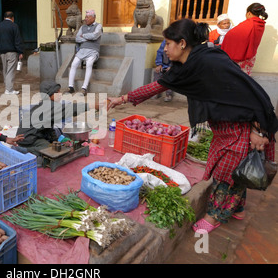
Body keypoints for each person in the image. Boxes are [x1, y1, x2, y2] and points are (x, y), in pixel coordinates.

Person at [107, 18, 278, 234]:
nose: (165, 49)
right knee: (236, 169)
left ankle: (213, 216)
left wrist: (258, 130)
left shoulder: (211, 62)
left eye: (168, 44)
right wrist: (122, 99)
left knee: (224, 173)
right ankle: (239, 207)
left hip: (242, 126)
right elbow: (157, 86)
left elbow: (251, 95)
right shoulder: (184, 67)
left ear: (182, 43)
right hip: (223, 127)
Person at [16, 80, 95, 164]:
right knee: (53, 153)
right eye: (57, 92)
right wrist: (93, 105)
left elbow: (49, 129)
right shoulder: (48, 107)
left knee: (55, 147)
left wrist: (57, 141)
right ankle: (29, 152)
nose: (60, 94)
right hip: (27, 140)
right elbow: (69, 109)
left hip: (35, 136)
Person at [221, 3, 268, 75]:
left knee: (236, 77)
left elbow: (231, 36)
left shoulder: (248, 24)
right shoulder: (261, 24)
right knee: (245, 78)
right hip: (251, 56)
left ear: (249, 13)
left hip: (240, 57)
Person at [66, 9, 103, 96]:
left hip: (93, 51)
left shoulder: (99, 26)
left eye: (87, 17)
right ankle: (70, 87)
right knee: (74, 64)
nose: (85, 19)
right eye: (85, 17)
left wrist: (84, 36)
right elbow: (77, 38)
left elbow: (95, 36)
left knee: (89, 64)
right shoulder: (82, 27)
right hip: (82, 50)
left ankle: (84, 88)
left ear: (93, 18)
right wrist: (88, 37)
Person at [0, 11, 24, 95]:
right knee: (10, 71)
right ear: (12, 18)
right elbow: (17, 40)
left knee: (5, 70)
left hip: (2, 52)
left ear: (4, 18)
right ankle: (9, 90)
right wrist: (20, 51)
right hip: (12, 52)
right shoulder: (14, 26)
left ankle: (7, 87)